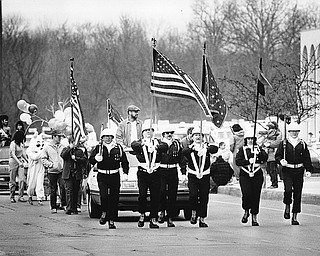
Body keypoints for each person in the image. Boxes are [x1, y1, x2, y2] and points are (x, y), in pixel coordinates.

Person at [89, 128, 129, 229]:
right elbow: (90, 160)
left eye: (109, 137)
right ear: (102, 138)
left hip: (114, 175)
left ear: (112, 138)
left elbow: (125, 161)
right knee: (104, 196)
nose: (107, 139)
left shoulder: (118, 148)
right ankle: (104, 212)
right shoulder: (98, 148)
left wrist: (125, 173)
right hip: (102, 175)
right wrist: (95, 159)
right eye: (105, 137)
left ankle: (112, 220)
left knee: (114, 198)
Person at [131, 121, 168, 228]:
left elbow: (165, 146)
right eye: (146, 130)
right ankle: (142, 214)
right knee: (142, 195)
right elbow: (133, 145)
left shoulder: (157, 142)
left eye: (150, 130)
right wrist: (144, 144)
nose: (148, 132)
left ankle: (153, 218)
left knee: (155, 196)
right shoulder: (139, 142)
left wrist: (155, 147)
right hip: (143, 172)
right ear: (142, 132)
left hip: (156, 172)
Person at [275, 122, 314, 225]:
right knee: (288, 190)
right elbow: (277, 156)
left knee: (298, 193)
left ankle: (295, 216)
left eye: (296, 131)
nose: (294, 133)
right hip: (287, 170)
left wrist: (309, 169)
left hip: (299, 170)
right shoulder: (283, 144)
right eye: (292, 131)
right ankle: (287, 205)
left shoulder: (302, 144)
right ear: (289, 132)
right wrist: (280, 161)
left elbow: (306, 158)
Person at [182, 127, 218, 228]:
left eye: (200, 135)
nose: (198, 137)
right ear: (192, 137)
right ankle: (193, 212)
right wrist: (193, 149)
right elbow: (184, 152)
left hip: (205, 175)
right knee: (193, 195)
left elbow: (214, 149)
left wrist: (205, 148)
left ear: (203, 137)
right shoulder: (190, 147)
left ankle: (202, 218)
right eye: (196, 135)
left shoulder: (206, 146)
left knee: (204, 197)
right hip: (193, 175)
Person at [235, 131, 268, 226]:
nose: (250, 141)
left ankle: (254, 216)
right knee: (246, 193)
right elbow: (238, 161)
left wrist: (259, 153)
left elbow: (265, 158)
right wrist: (247, 161)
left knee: (256, 195)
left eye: (252, 139)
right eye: (248, 139)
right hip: (245, 174)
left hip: (257, 173)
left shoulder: (258, 148)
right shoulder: (242, 149)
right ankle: (246, 210)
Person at [158, 126, 186, 227]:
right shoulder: (159, 144)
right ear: (163, 135)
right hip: (161, 169)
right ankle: (161, 211)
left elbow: (181, 158)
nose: (169, 135)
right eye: (167, 133)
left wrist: (183, 172)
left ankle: (170, 217)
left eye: (171, 133)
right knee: (161, 192)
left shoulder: (176, 144)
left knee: (172, 194)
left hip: (173, 170)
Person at [61, 136, 88, 215]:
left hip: (76, 173)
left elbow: (85, 160)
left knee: (76, 191)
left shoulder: (80, 151)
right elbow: (63, 155)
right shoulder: (66, 150)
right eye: (72, 142)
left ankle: (75, 207)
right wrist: (70, 148)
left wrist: (76, 158)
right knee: (69, 191)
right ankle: (69, 208)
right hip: (68, 174)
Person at [41, 129, 66, 213]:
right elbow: (43, 159)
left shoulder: (63, 146)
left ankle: (64, 204)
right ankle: (53, 206)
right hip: (52, 171)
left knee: (63, 187)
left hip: (61, 170)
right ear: (54, 136)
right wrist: (50, 165)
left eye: (60, 137)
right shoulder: (47, 147)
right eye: (58, 136)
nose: (60, 138)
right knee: (53, 189)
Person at [259, 121, 282, 189]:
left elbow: (277, 143)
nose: (269, 129)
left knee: (273, 170)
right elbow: (262, 142)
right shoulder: (267, 135)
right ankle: (272, 182)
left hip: (273, 154)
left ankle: (274, 183)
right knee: (269, 170)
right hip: (267, 154)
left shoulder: (278, 134)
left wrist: (269, 144)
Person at [26, 132, 46, 205]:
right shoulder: (29, 151)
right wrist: (42, 151)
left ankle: (40, 198)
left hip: (41, 166)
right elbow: (34, 157)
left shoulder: (42, 150)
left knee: (40, 183)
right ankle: (30, 196)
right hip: (33, 168)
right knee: (32, 182)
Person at [9, 130, 28, 203]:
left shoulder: (21, 144)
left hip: (20, 160)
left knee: (22, 179)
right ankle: (12, 195)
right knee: (12, 180)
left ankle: (21, 195)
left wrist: (27, 160)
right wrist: (18, 162)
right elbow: (13, 154)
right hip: (13, 161)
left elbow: (23, 153)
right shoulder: (13, 144)